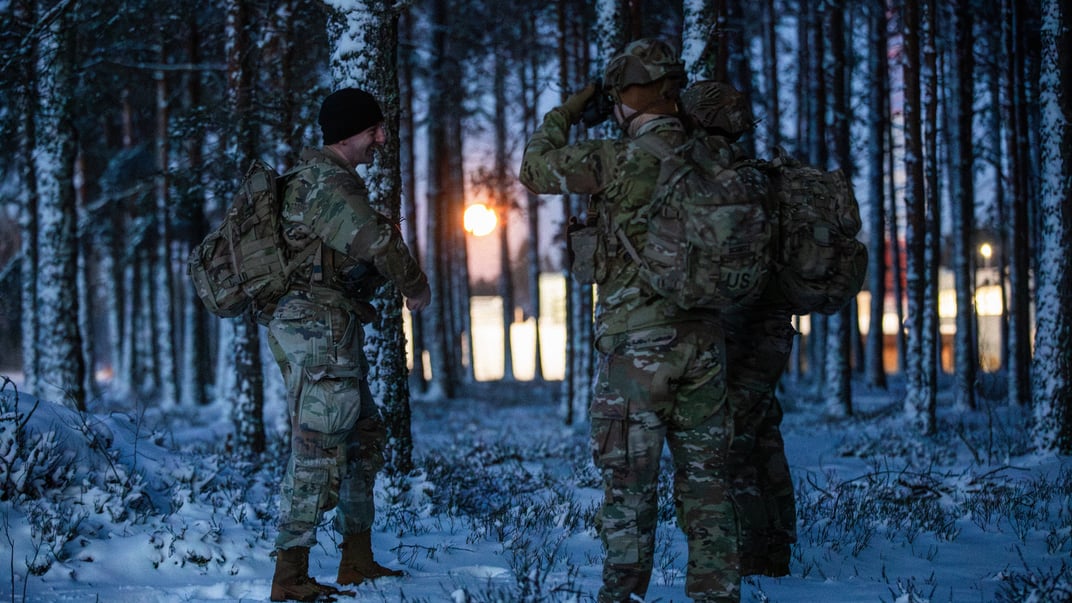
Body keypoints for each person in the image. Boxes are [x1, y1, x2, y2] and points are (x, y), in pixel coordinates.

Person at [520, 39, 744, 602]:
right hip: (707, 341)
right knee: (709, 484)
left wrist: (571, 109)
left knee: (628, 488)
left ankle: (622, 596)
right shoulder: (716, 156)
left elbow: (534, 165)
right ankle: (717, 593)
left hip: (636, 351)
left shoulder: (614, 159)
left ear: (623, 98)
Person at [268, 87, 431, 602]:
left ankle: (356, 560)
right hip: (317, 327)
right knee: (319, 446)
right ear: (347, 134)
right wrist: (415, 285)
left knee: (362, 436)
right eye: (373, 130)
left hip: (328, 323)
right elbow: (374, 241)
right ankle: (289, 575)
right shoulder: (328, 183)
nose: (382, 138)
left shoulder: (322, 180)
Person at [680, 80, 797, 578]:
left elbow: (730, 270)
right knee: (763, 431)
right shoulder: (758, 176)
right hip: (770, 327)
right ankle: (776, 549)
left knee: (732, 441)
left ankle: (751, 554)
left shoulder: (724, 178)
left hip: (741, 329)